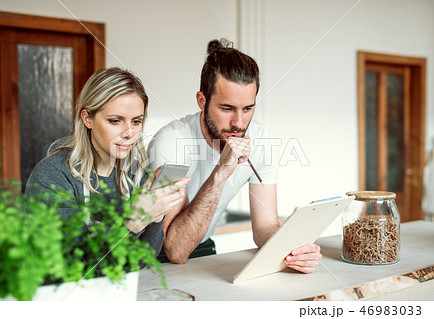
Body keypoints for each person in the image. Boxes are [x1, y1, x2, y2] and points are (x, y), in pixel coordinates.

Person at [148, 39, 321, 273]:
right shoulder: (171, 142)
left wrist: (293, 249)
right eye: (227, 108)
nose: (238, 123)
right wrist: (221, 172)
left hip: (203, 246)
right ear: (202, 101)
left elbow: (264, 229)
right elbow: (175, 249)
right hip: (156, 257)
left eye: (247, 109)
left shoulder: (262, 140)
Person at [26, 67, 189, 257]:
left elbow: (143, 260)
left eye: (136, 121)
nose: (129, 132)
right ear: (88, 119)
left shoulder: (136, 177)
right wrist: (133, 222)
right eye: (115, 121)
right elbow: (71, 264)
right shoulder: (53, 177)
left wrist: (156, 215)